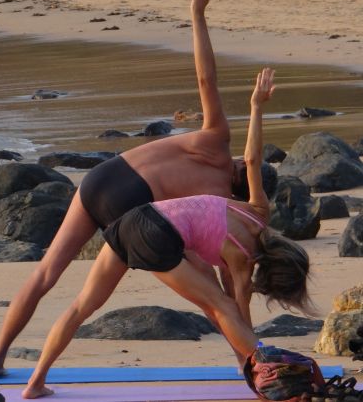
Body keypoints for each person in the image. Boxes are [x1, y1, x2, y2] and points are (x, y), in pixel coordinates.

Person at [0, 0, 245, 377]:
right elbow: (229, 281)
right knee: (209, 297)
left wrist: (197, 15)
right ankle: (246, 360)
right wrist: (241, 315)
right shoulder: (220, 207)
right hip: (134, 207)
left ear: (243, 166)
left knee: (46, 272)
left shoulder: (216, 141)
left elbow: (205, 77)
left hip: (104, 177)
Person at [21, 68, 314, 399]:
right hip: (157, 234)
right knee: (223, 306)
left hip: (134, 217)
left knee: (80, 307)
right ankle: (263, 381)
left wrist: (256, 106)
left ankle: (34, 384)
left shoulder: (258, 211)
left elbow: (251, 158)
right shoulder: (244, 266)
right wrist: (252, 360)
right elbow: (238, 316)